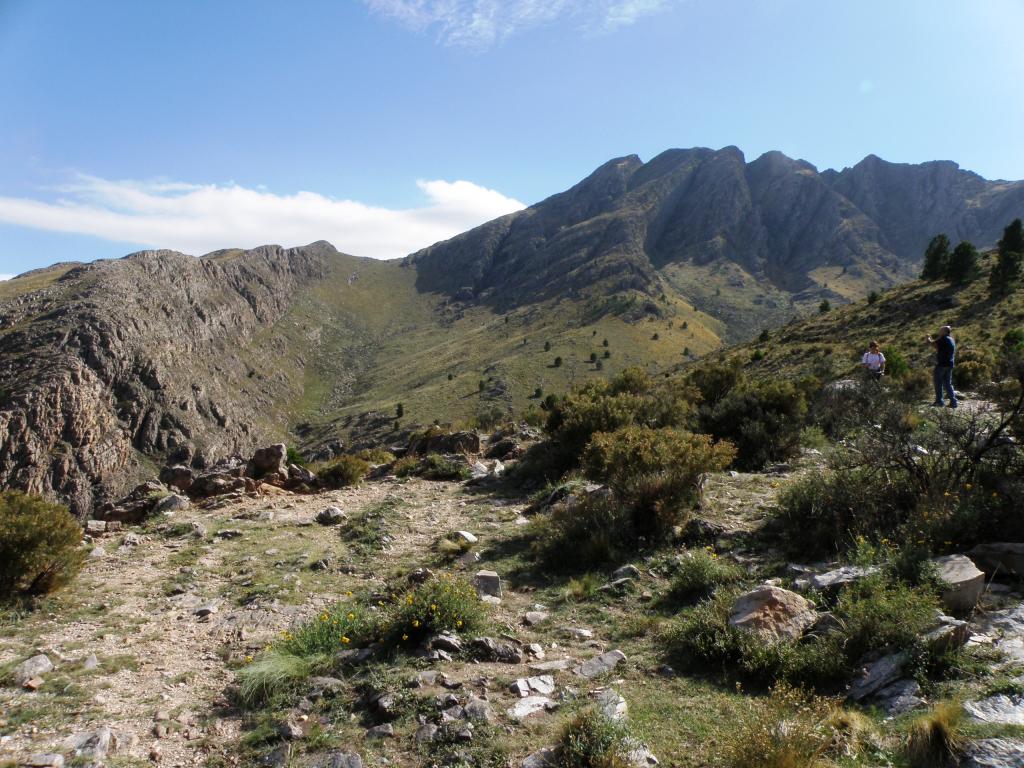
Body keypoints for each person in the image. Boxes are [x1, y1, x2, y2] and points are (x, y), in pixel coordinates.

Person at [927, 325, 957, 408]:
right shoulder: (951, 339)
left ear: (945, 332)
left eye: (941, 330)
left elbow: (932, 344)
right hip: (950, 364)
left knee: (938, 383)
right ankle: (953, 402)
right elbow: (938, 347)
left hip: (941, 365)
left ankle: (939, 402)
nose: (939, 331)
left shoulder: (943, 339)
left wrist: (928, 338)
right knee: (948, 383)